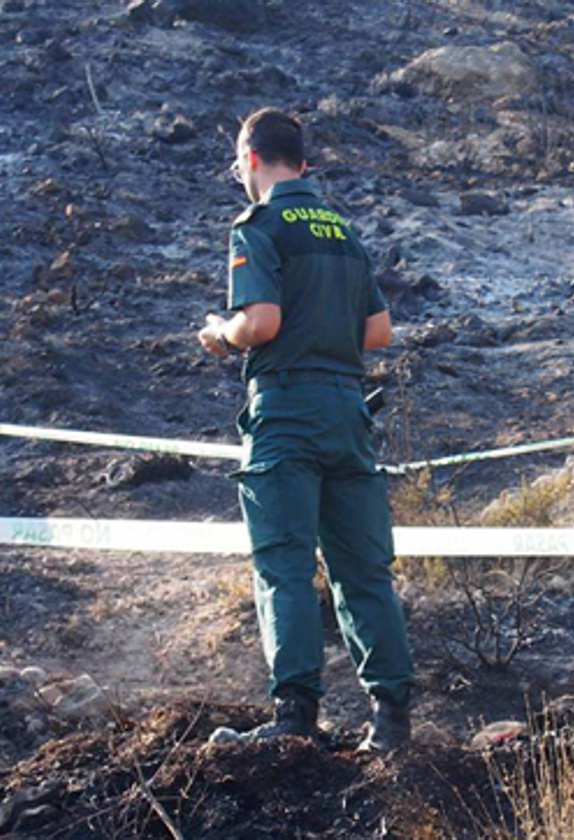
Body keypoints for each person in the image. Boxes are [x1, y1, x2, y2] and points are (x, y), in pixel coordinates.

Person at [197, 107, 414, 752]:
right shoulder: (344, 232)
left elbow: (259, 321)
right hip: (348, 412)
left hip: (286, 414)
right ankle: (391, 720)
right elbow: (379, 333)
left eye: (239, 164)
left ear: (252, 160)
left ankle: (294, 720)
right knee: (363, 570)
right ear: (305, 163)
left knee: (285, 566)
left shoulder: (257, 226)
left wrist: (221, 334)